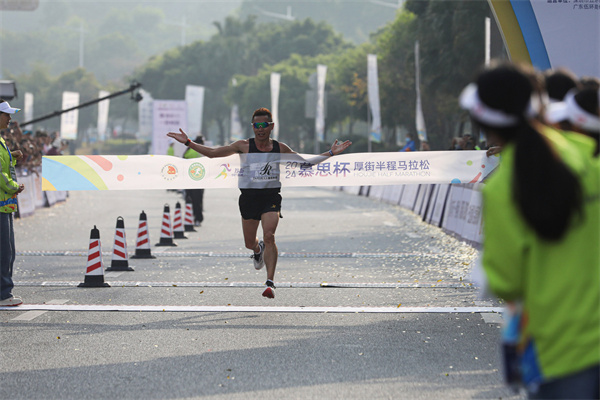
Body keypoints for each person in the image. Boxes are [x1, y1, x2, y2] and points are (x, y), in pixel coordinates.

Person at [460, 63, 599, 399]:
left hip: (560, 349)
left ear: (483, 123)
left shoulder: (503, 189)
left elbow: (507, 282)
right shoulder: (584, 154)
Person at [168, 107, 352, 298]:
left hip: (271, 197)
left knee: (270, 235)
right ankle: (258, 249)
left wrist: (330, 152)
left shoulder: (280, 148)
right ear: (253, 127)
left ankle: (270, 283)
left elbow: (304, 164)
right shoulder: (243, 146)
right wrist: (188, 142)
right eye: (256, 126)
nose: (260, 129)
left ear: (271, 126)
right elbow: (214, 153)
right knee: (249, 243)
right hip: (248, 198)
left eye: (264, 125)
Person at [0, 100, 25, 306]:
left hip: (4, 205)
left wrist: (12, 157)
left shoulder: (1, 140)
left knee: (7, 250)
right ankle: (3, 294)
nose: (10, 118)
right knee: (4, 251)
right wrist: (13, 187)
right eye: (6, 114)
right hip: (1, 205)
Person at [184, 134, 205, 226]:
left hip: (188, 180)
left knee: (189, 199)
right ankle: (198, 218)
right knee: (198, 200)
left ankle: (190, 217)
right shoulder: (200, 152)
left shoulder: (188, 150)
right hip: (199, 180)